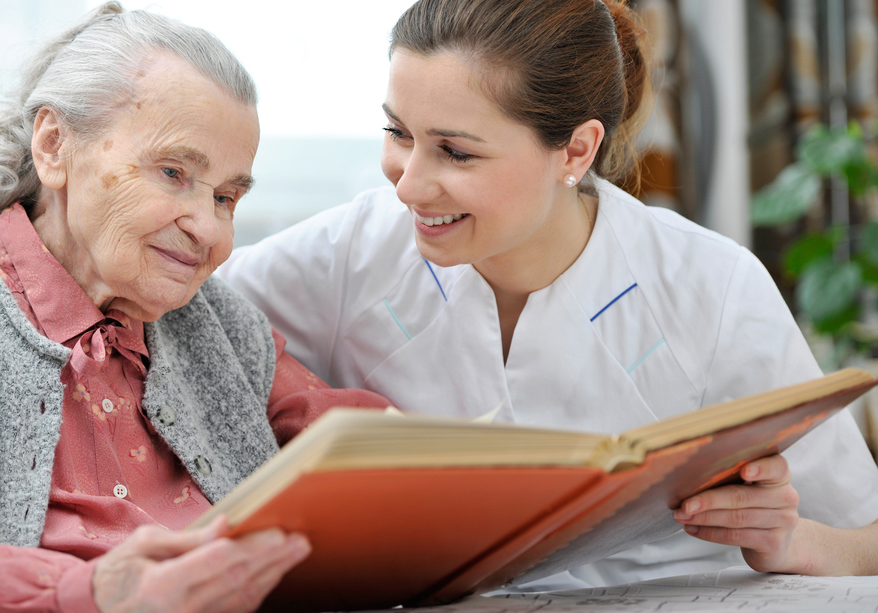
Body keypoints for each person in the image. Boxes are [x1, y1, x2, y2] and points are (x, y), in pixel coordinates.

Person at [219, 0, 878, 590]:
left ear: (576, 151)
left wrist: (791, 541)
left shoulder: (712, 287)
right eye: (399, 133)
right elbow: (179, 315)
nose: (409, 184)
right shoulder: (345, 257)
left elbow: (866, 538)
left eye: (455, 152)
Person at [0, 3, 390, 612]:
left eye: (227, 197)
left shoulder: (222, 325)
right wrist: (103, 593)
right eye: (173, 172)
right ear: (54, 145)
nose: (208, 228)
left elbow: (367, 452)